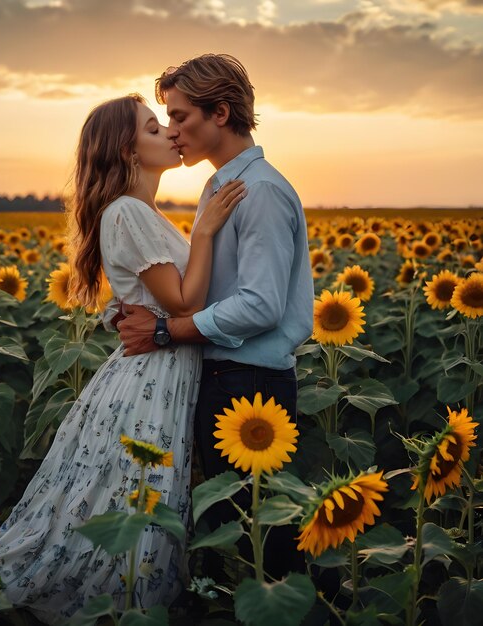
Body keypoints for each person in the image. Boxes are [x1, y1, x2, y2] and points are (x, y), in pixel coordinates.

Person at [0, 94, 245, 623]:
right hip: (151, 378)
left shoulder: (141, 213)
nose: (170, 134)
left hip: (161, 369)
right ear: (126, 150)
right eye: (154, 128)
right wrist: (204, 231)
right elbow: (184, 303)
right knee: (132, 500)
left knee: (126, 496)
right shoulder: (129, 213)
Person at [117, 54, 314, 580]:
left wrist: (164, 331)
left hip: (249, 384)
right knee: (232, 534)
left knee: (260, 544)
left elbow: (261, 305)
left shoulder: (261, 191)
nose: (174, 130)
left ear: (221, 113)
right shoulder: (220, 187)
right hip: (225, 378)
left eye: (181, 117)